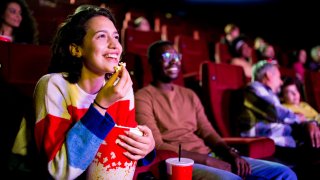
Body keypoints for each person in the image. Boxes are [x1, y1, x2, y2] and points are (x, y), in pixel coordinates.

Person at [135, 40, 297, 180]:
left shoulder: (189, 94)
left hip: (210, 154)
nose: (174, 61)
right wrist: (207, 161)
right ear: (152, 62)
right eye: (167, 57)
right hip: (178, 161)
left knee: (283, 173)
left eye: (177, 57)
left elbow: (207, 131)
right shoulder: (143, 97)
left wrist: (230, 154)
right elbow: (157, 145)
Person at [33, 5, 155, 179]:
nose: (115, 46)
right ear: (76, 49)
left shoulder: (123, 91)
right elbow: (59, 171)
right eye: (102, 36)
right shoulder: (53, 85)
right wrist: (100, 105)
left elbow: (120, 156)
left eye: (116, 37)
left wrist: (145, 148)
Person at [238, 60, 320, 179]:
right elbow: (277, 113)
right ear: (268, 76)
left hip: (283, 142)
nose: (281, 82)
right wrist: (301, 120)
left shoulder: (268, 93)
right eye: (279, 77)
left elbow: (283, 118)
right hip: (268, 144)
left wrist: (308, 123)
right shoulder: (254, 88)